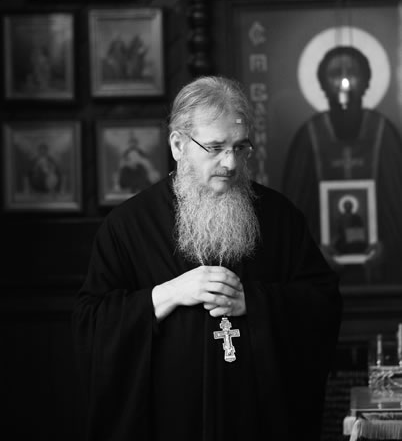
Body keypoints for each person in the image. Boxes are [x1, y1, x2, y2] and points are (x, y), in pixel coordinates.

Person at [72, 75, 342, 441]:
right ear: (178, 145)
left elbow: (323, 304)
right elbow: (91, 324)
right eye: (215, 148)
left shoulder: (280, 218)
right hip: (168, 423)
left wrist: (255, 302)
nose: (230, 163)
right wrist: (169, 294)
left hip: (260, 424)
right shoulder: (128, 225)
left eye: (240, 147)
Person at [282, 46, 402, 283]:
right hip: (321, 276)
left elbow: (397, 204)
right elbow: (294, 209)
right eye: (335, 73)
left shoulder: (383, 132)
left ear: (367, 82)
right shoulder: (309, 136)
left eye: (353, 72)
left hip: (381, 277)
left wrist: (389, 246)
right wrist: (314, 250)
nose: (344, 82)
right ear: (322, 84)